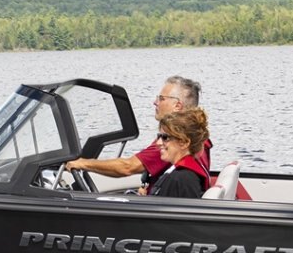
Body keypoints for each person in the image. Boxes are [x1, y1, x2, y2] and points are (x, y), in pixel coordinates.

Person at [65, 75, 211, 191]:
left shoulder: (175, 143)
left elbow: (128, 167)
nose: (155, 102)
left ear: (177, 105)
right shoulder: (196, 137)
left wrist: (83, 163)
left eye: (161, 98)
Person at [147, 107, 211, 198]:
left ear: (184, 142)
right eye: (159, 136)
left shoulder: (182, 179)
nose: (158, 143)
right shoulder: (181, 174)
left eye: (165, 137)